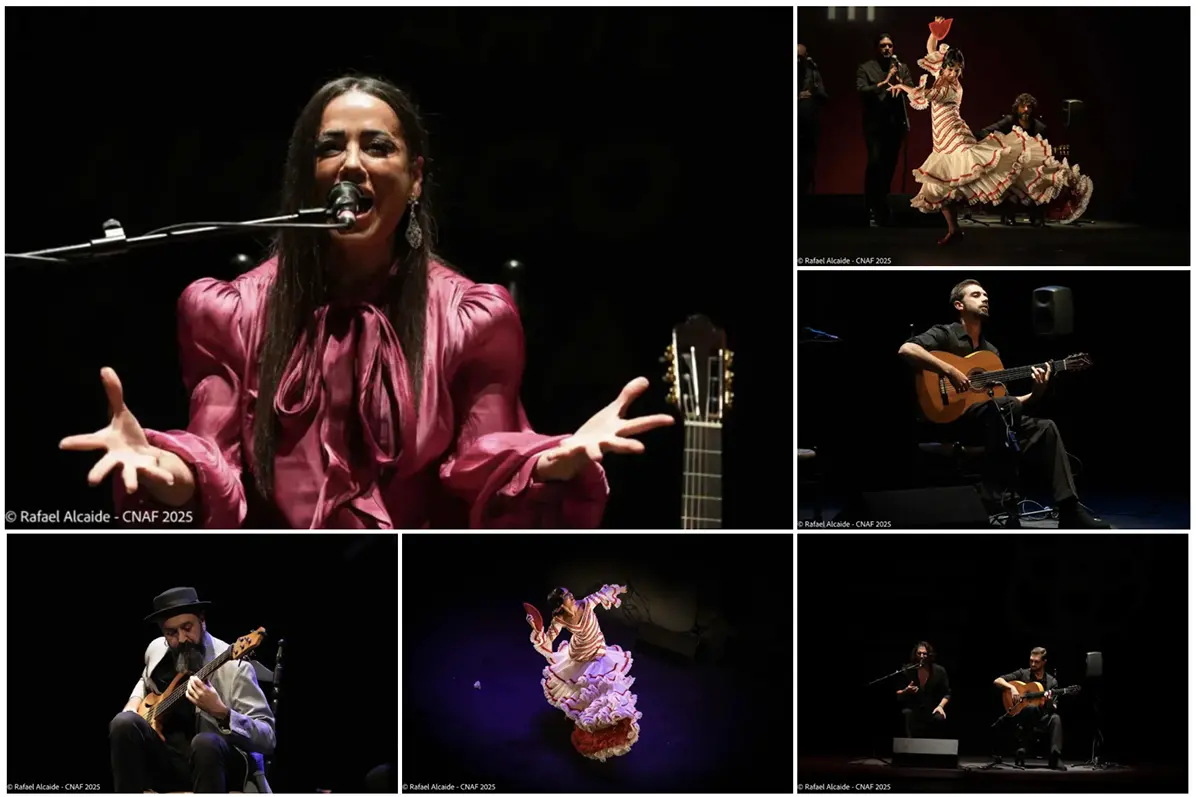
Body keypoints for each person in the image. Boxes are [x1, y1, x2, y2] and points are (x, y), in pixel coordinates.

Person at [59, 75, 675, 529]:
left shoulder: (475, 319)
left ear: (415, 179)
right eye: (331, 147)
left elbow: (487, 459)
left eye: (378, 146)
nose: (352, 162)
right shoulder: (229, 312)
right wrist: (168, 477)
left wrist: (551, 462)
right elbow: (211, 454)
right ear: (308, 178)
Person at [897, 279, 1109, 528]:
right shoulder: (945, 333)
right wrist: (951, 371)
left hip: (989, 423)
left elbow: (1007, 402)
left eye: (986, 295)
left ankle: (1069, 509)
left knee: (1045, 427)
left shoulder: (991, 353)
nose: (985, 298)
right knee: (1004, 408)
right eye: (976, 295)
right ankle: (995, 494)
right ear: (959, 305)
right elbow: (906, 349)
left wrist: (1036, 392)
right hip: (951, 418)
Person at [888, 17, 1093, 244]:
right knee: (937, 187)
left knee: (986, 172)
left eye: (958, 70)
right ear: (944, 66)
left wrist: (901, 85)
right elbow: (930, 48)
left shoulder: (950, 88)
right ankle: (954, 231)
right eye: (952, 68)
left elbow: (924, 96)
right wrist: (935, 34)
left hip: (955, 136)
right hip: (941, 140)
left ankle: (1052, 190)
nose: (955, 73)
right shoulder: (940, 73)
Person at [109, 587, 276, 792]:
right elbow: (144, 682)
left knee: (205, 744)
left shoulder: (235, 668)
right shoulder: (157, 650)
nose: (181, 639)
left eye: (187, 627)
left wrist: (222, 713)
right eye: (171, 633)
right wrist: (133, 703)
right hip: (170, 762)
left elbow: (268, 738)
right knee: (123, 723)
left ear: (202, 620)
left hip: (216, 765)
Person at [526, 584, 641, 761]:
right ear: (561, 605)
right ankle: (590, 719)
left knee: (606, 683)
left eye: (569, 592)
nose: (571, 595)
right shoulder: (560, 619)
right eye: (566, 595)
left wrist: (623, 589)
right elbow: (548, 640)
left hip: (598, 651)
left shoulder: (586, 604)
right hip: (579, 654)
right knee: (585, 686)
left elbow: (604, 594)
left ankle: (613, 718)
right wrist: (538, 631)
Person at [856, 33, 916, 227]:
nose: (887, 49)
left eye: (890, 45)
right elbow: (862, 91)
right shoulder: (866, 68)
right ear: (877, 48)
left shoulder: (902, 68)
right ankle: (868, 207)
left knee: (889, 167)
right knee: (874, 164)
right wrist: (883, 84)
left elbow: (913, 91)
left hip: (894, 125)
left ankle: (881, 208)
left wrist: (901, 85)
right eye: (883, 46)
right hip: (874, 125)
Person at [975, 93, 1050, 227]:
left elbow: (1044, 151)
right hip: (1012, 164)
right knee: (1009, 180)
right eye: (1023, 107)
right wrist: (1001, 145)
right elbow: (984, 131)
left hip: (1030, 166)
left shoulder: (1039, 128)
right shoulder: (1009, 121)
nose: (1026, 110)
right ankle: (1008, 215)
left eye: (1029, 107)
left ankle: (1037, 216)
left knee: (1041, 179)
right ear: (1017, 108)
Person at [993, 647, 1065, 770]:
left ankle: (1055, 756)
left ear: (1044, 662)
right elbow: (997, 680)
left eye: (1036, 662)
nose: (1033, 664)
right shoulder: (1023, 673)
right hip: (1021, 717)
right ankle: (1023, 748)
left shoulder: (1052, 682)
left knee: (1056, 719)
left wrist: (1048, 703)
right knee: (1030, 708)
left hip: (1041, 718)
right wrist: (1011, 688)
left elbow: (1053, 707)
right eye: (1031, 661)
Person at [896, 641, 951, 738]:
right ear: (915, 654)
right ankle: (909, 750)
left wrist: (940, 706)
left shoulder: (939, 671)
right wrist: (906, 691)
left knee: (939, 718)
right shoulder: (908, 670)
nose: (922, 656)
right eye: (919, 653)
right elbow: (898, 692)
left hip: (933, 708)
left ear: (929, 655)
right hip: (914, 708)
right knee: (906, 714)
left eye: (924, 653)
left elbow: (947, 693)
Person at [798, 43, 829, 197]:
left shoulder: (812, 73)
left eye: (800, 58)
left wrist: (815, 92)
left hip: (808, 126)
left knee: (807, 163)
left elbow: (824, 96)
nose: (798, 62)